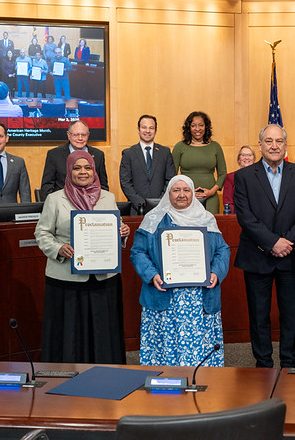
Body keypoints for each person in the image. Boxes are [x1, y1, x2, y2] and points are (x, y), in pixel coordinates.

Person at [34, 150, 130, 364]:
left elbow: (115, 228)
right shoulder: (55, 199)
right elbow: (41, 233)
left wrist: (122, 232)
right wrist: (58, 248)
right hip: (67, 279)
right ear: (69, 171)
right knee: (70, 335)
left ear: (94, 170)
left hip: (103, 278)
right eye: (77, 168)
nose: (83, 172)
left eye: (87, 167)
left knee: (104, 331)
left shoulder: (108, 197)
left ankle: (106, 374)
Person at [233, 123, 295, 368]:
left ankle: (289, 363)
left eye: (279, 141)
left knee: (291, 315)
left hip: (292, 255)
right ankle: (263, 363)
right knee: (259, 315)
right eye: (269, 141)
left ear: (286, 145)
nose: (274, 146)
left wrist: (286, 242)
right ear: (260, 145)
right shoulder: (244, 176)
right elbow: (245, 216)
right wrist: (272, 242)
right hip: (257, 256)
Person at [130, 175, 230, 366]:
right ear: (168, 194)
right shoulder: (153, 219)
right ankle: (166, 384)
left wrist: (216, 272)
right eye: (176, 190)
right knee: (164, 350)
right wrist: (151, 275)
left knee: (201, 349)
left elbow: (223, 250)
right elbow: (137, 252)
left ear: (193, 193)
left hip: (199, 298)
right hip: (165, 296)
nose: (181, 195)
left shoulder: (206, 218)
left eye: (186, 190)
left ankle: (201, 380)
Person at [172, 111, 227, 214]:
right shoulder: (180, 146)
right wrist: (185, 192)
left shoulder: (215, 146)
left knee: (209, 227)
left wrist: (212, 191)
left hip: (210, 198)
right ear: (188, 128)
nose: (197, 129)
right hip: (185, 197)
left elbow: (222, 173)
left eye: (201, 125)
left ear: (206, 127)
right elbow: (172, 175)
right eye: (193, 125)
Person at [119, 114, 176, 214]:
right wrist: (140, 203)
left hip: (162, 208)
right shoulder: (128, 153)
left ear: (155, 131)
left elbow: (170, 179)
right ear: (138, 129)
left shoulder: (165, 152)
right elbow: (125, 182)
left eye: (151, 128)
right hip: (136, 209)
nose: (147, 131)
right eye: (144, 127)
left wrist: (159, 202)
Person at [40, 120, 108, 200]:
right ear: (68, 135)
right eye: (76, 135)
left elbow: (103, 185)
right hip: (63, 203)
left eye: (83, 135)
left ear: (88, 135)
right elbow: (47, 186)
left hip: (91, 204)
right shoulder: (54, 155)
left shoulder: (98, 155)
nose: (80, 138)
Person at [222, 145, 255, 213]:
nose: (246, 158)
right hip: (237, 216)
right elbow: (227, 202)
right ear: (239, 159)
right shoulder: (230, 177)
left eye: (249, 155)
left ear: (254, 159)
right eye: (243, 155)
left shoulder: (260, 177)